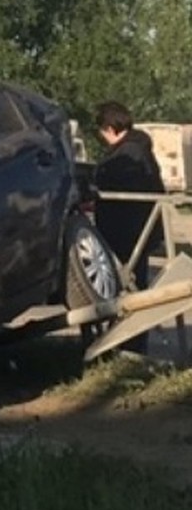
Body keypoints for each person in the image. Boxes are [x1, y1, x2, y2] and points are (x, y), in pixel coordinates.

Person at [93, 100, 165, 352]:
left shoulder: (126, 155)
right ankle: (130, 346)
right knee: (133, 288)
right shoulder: (139, 149)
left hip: (128, 235)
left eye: (102, 132)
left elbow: (119, 191)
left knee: (129, 290)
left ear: (110, 128)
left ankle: (131, 348)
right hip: (138, 233)